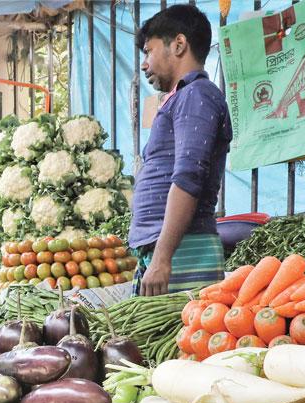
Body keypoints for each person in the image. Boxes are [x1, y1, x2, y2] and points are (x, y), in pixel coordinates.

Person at [130, 5, 232, 296]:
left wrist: (162, 258)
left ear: (178, 44)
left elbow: (189, 176)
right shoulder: (182, 97)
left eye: (148, 51)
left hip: (183, 250)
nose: (144, 64)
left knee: (178, 339)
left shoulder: (196, 95)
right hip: (173, 248)